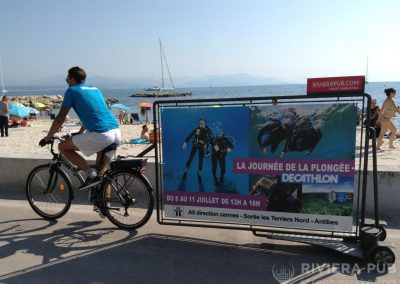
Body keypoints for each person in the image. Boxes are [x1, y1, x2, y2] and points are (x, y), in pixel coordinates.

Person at [40, 66, 121, 190]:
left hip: (101, 135)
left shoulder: (72, 91)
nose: (67, 83)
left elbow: (60, 117)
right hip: (116, 132)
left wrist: (48, 137)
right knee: (102, 175)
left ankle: (90, 173)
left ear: (72, 79)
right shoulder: (95, 90)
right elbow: (95, 113)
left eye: (67, 80)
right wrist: (80, 132)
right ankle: (104, 208)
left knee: (62, 147)